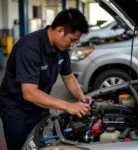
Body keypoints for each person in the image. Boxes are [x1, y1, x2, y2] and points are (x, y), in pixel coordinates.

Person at [0, 8, 92, 150]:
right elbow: (29, 93)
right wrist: (68, 106)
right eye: (72, 40)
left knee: (41, 145)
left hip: (40, 108)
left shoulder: (62, 49)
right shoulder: (29, 48)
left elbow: (68, 76)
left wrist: (81, 97)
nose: (72, 45)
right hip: (17, 112)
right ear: (60, 30)